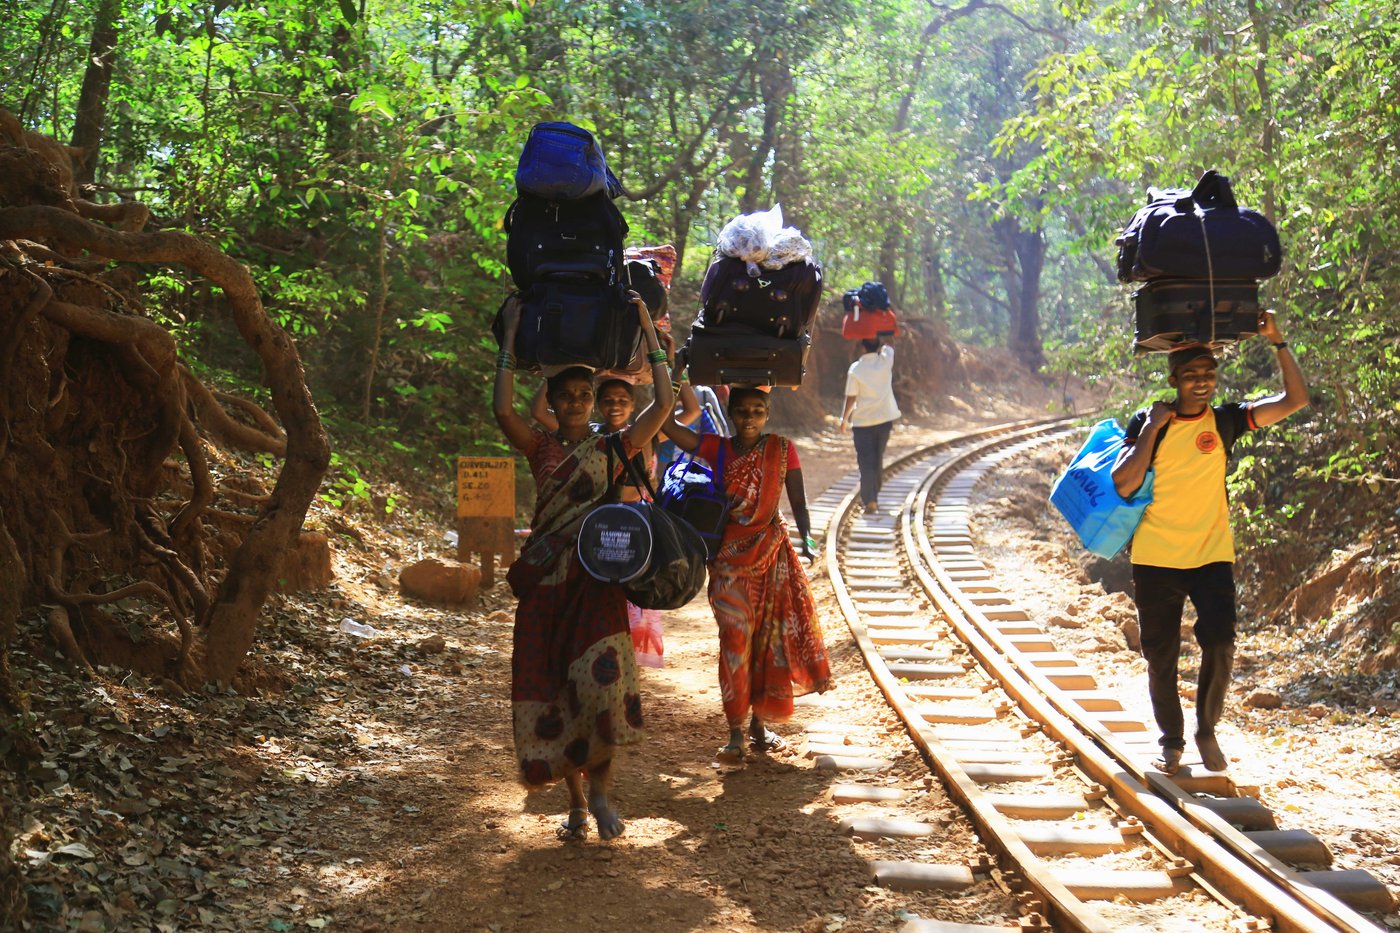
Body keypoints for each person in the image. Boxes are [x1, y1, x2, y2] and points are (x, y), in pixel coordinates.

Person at [493, 291, 674, 840]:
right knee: (552, 694)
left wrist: (647, 328)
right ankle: (574, 801)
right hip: (546, 588)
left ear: (593, 401)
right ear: (550, 400)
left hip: (595, 584)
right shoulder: (540, 449)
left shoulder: (614, 446)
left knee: (602, 691)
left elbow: (662, 407)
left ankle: (600, 791)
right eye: (565, 396)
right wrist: (508, 344)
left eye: (582, 395)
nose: (575, 402)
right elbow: (503, 410)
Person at [1111, 311, 1308, 774]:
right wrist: (1153, 429)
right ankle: (1172, 742)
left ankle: (1206, 729)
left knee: (1220, 642)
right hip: (1156, 558)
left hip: (1211, 556)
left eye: (1208, 375)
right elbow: (1124, 483)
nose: (1201, 383)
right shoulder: (1147, 421)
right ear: (1174, 379)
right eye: (1191, 376)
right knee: (1160, 655)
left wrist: (1278, 341)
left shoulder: (1226, 421)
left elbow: (1295, 399)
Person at [663, 386, 832, 763]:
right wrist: (673, 376)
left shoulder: (783, 450)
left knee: (766, 643)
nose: (749, 418)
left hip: (771, 556)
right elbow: (668, 426)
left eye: (757, 410)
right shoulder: (717, 448)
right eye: (742, 411)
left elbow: (798, 501)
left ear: (768, 413)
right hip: (726, 562)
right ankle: (735, 729)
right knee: (735, 642)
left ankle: (757, 724)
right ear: (731, 412)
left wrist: (807, 538)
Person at [839, 336, 902, 515]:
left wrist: (844, 419)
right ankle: (874, 494)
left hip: (862, 423)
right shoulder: (886, 361)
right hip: (884, 421)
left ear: (862, 348)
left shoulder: (856, 369)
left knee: (865, 461)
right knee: (877, 458)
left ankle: (870, 499)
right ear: (878, 346)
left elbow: (851, 396)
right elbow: (890, 344)